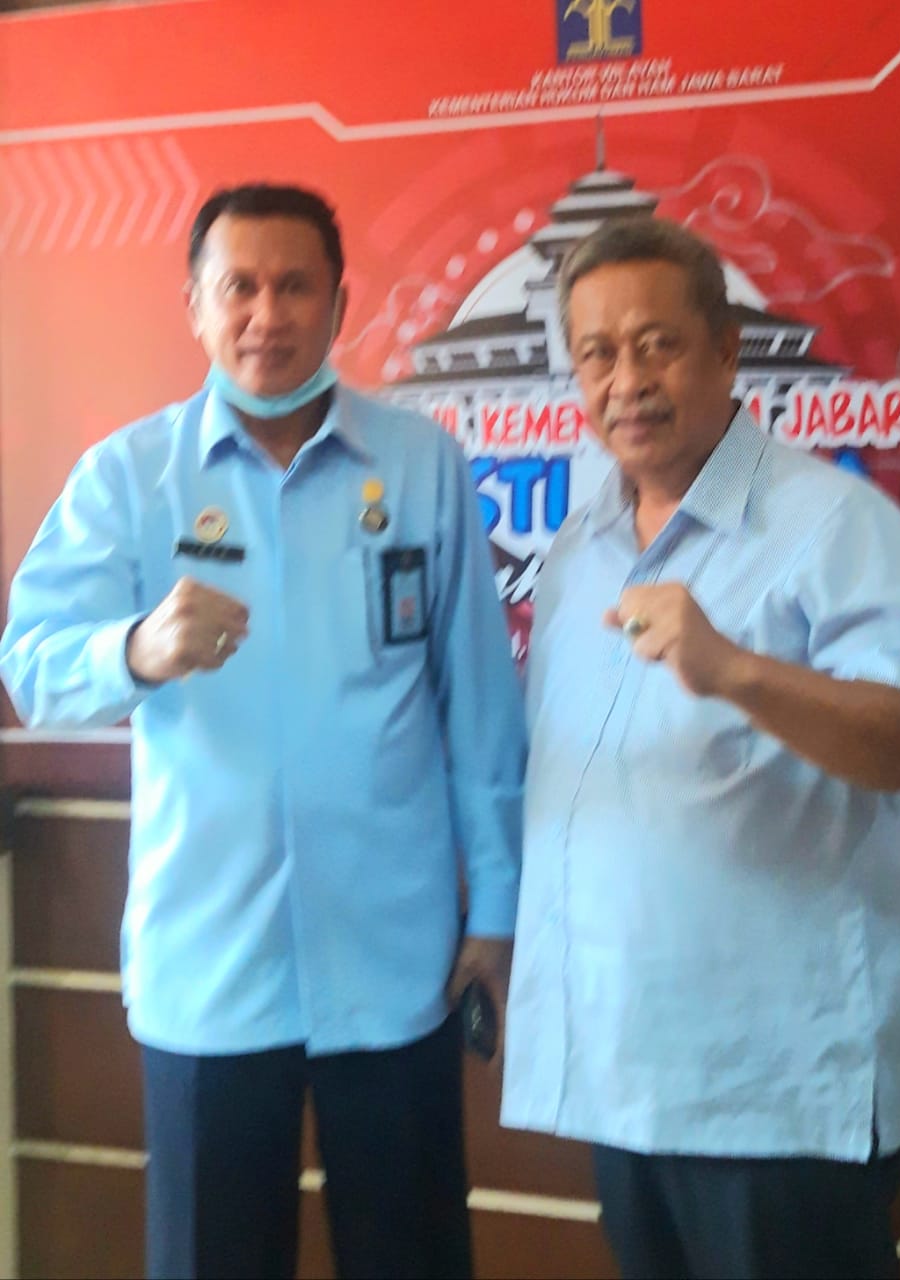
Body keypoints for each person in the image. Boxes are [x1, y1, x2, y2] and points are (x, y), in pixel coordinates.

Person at [0, 183, 526, 1280]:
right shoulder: (129, 475)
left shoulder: (419, 463)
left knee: (415, 1257)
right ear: (194, 306)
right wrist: (135, 647)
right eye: (238, 287)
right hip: (211, 968)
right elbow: (32, 666)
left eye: (295, 286)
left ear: (341, 304)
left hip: (396, 967)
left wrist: (495, 910)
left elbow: (479, 706)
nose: (267, 315)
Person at [500, 216, 900, 1279]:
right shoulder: (579, 547)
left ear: (725, 349)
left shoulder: (833, 525)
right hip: (626, 1072)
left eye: (656, 345)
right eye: (596, 353)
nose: (626, 380)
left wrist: (736, 671)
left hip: (774, 1088)